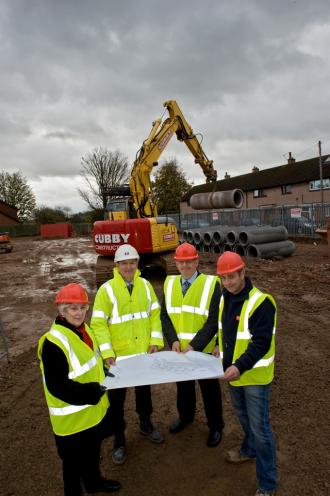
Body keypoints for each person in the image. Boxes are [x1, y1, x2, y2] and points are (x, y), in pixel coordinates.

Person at [191, 251, 278, 496]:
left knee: (261, 429)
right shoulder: (224, 298)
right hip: (232, 373)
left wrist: (238, 366)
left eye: (232, 277)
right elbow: (225, 327)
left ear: (243, 272)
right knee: (243, 416)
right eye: (224, 278)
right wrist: (219, 344)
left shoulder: (261, 302)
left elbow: (260, 343)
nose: (228, 283)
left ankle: (268, 483)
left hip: (253, 377)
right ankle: (248, 449)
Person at [38, 283, 121, 496]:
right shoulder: (53, 343)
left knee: (92, 454)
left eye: (83, 308)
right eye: (73, 308)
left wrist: (105, 371)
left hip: (92, 414)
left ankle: (94, 484)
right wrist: (93, 392)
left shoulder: (85, 330)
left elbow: (92, 360)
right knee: (72, 468)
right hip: (72, 421)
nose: (79, 313)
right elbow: (57, 387)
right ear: (62, 311)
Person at [91, 244, 164, 465]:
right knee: (116, 402)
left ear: (137, 263)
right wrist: (106, 352)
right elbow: (98, 324)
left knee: (144, 393)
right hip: (118, 359)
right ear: (117, 265)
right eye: (124, 263)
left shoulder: (145, 286)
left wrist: (155, 341)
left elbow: (154, 314)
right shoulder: (107, 290)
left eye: (132, 262)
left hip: (142, 353)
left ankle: (145, 424)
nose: (128, 266)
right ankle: (119, 439)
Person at [161, 242, 224, 447]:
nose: (186, 266)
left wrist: (195, 345)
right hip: (180, 351)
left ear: (196, 261)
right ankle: (186, 417)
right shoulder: (169, 284)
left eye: (190, 262)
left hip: (202, 350)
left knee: (210, 390)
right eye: (182, 262)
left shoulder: (211, 284)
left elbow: (214, 320)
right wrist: (173, 341)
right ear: (176, 263)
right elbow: (165, 316)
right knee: (184, 387)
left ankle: (216, 426)